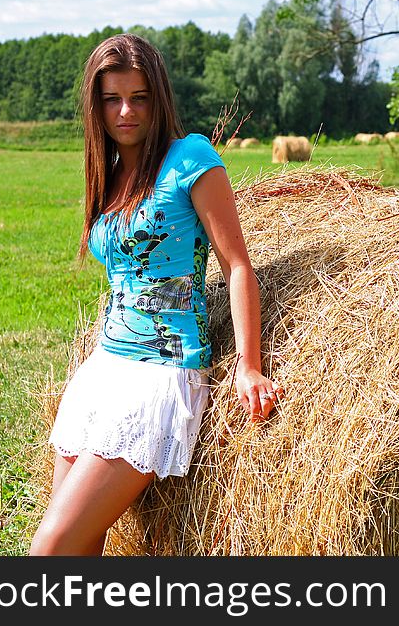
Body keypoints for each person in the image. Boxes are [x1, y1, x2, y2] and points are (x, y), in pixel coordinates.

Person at [29, 33, 284, 556]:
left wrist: (249, 365)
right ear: (95, 106)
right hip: (103, 371)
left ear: (158, 98)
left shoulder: (189, 157)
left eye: (139, 97)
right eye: (112, 98)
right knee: (76, 553)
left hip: (160, 375)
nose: (126, 111)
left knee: (48, 549)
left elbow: (237, 264)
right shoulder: (111, 173)